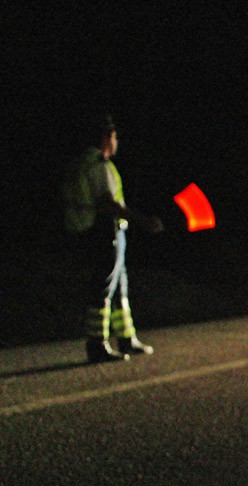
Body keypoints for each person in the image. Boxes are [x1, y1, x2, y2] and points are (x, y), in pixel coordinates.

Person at [63, 114, 163, 363]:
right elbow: (109, 203)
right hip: (104, 231)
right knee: (104, 287)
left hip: (98, 231)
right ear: (107, 137)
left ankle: (127, 338)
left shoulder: (82, 163)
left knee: (119, 286)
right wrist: (143, 220)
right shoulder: (98, 165)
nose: (117, 141)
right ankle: (97, 344)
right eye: (115, 136)